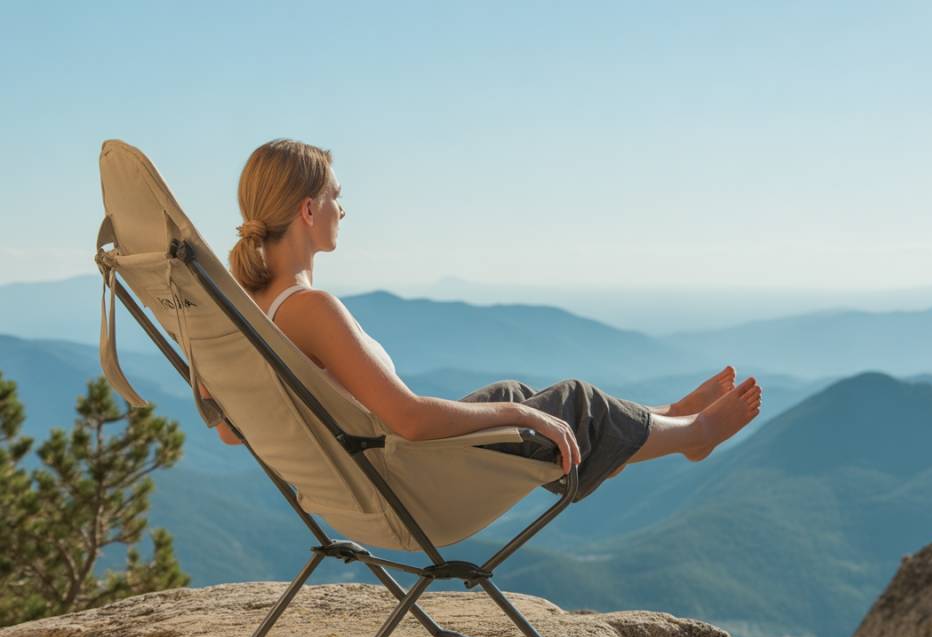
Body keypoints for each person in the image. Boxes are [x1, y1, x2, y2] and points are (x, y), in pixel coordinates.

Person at [200, 139, 761, 502]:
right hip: (403, 485)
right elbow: (413, 420)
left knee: (516, 393)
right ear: (307, 210)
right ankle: (695, 435)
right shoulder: (309, 310)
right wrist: (519, 415)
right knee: (569, 402)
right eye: (335, 197)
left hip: (353, 484)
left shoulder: (249, 310)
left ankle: (656, 421)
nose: (342, 211)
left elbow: (229, 431)